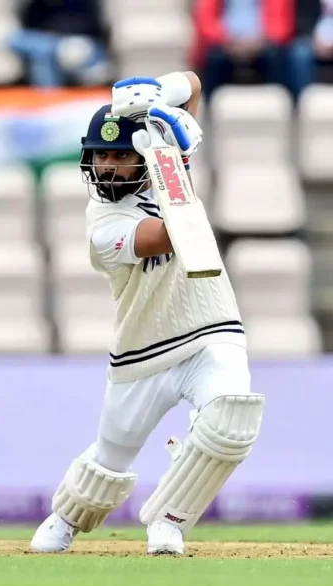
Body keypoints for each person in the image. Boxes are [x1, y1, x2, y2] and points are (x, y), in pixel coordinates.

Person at [30, 72, 265, 556]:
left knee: (232, 419)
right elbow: (171, 234)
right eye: (102, 156)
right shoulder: (103, 223)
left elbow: (193, 84)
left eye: (120, 155)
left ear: (141, 157)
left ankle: (169, 521)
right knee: (110, 461)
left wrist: (159, 99)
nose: (109, 166)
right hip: (144, 350)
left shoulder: (163, 157)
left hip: (211, 328)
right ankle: (66, 518)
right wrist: (176, 157)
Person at [191, 0, 293, 100]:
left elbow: (282, 24)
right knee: (214, 57)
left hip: (262, 44)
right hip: (226, 44)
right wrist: (226, 40)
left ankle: (279, 103)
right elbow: (205, 21)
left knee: (275, 56)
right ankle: (209, 105)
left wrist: (261, 41)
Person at [8, 0, 110, 87]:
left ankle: (50, 94)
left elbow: (93, 28)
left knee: (67, 51)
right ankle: (47, 96)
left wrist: (61, 39)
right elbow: (30, 27)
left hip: (78, 42)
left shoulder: (81, 4)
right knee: (41, 49)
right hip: (48, 43)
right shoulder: (37, 5)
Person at [286, 0, 333, 101]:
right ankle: (302, 101)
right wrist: (314, 41)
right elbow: (303, 19)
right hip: (313, 40)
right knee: (300, 52)